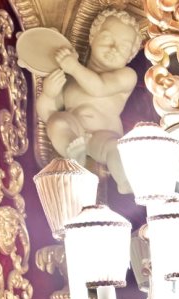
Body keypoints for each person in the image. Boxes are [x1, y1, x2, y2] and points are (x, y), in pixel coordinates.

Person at [36, 9, 141, 192]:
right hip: (75, 131)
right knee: (57, 123)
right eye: (107, 39)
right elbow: (48, 114)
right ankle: (74, 155)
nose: (114, 49)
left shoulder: (126, 76)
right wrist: (48, 94)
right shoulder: (71, 80)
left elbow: (98, 87)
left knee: (115, 148)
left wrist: (73, 67)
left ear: (130, 55)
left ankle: (126, 181)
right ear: (93, 37)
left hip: (105, 134)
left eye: (124, 47)